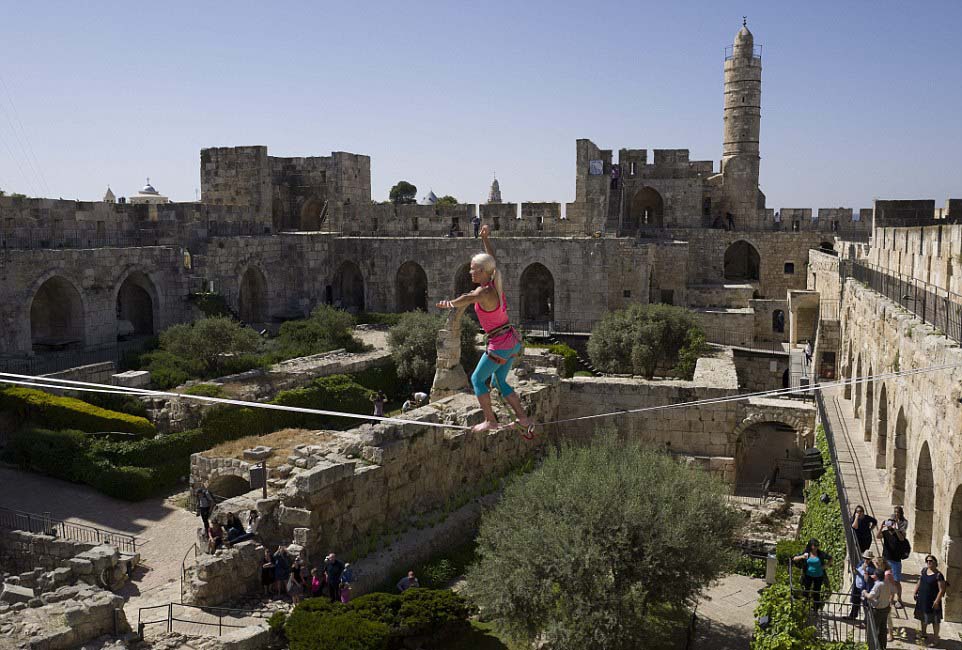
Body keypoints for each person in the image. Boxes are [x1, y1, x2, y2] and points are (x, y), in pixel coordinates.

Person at [436, 224, 532, 434]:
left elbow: (467, 298)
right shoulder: (494, 282)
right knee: (499, 381)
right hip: (510, 341)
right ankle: (523, 419)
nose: (470, 271)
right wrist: (486, 239)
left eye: (473, 269)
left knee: (477, 379)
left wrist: (449, 303)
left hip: (500, 345)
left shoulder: (485, 293)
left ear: (482, 272)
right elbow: (492, 259)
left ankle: (491, 420)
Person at [878, 508, 909, 608]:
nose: (890, 524)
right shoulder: (886, 533)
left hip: (895, 560)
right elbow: (878, 536)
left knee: (896, 581)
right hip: (886, 559)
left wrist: (895, 529)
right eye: (889, 522)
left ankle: (899, 599)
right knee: (885, 579)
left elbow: (902, 539)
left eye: (892, 522)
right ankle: (889, 598)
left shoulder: (898, 533)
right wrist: (881, 527)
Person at [914, 554, 947, 645]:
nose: (929, 562)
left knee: (935, 621)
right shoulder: (924, 570)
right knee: (922, 617)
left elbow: (942, 590)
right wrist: (915, 591)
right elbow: (920, 581)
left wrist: (937, 601)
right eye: (927, 561)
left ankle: (936, 640)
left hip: (932, 601)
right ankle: (923, 633)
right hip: (922, 599)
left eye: (931, 561)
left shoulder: (938, 575)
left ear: (935, 562)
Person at [793, 538, 832, 611]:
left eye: (818, 545)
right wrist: (802, 557)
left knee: (816, 592)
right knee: (806, 591)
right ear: (811, 546)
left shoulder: (820, 554)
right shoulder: (806, 553)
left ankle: (816, 609)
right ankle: (804, 608)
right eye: (815, 545)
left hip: (819, 576)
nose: (817, 547)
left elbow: (830, 558)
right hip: (808, 576)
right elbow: (794, 558)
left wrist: (826, 566)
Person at [863, 569, 895, 649]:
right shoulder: (886, 583)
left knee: (873, 629)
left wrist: (865, 593)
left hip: (878, 610)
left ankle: (871, 647)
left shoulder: (878, 585)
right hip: (886, 608)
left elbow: (870, 596)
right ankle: (882, 646)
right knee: (883, 629)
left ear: (876, 576)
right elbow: (894, 590)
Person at [847, 549, 876, 620]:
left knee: (866, 605)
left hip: (865, 589)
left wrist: (865, 570)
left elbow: (867, 580)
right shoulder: (861, 563)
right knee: (855, 602)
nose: (866, 560)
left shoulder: (872, 569)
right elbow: (857, 572)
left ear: (871, 559)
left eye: (868, 559)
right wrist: (854, 570)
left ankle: (867, 620)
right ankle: (853, 616)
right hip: (857, 586)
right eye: (865, 558)